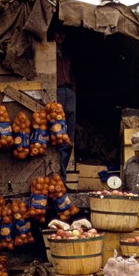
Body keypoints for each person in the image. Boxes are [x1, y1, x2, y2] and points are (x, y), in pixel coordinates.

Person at [54, 31, 76, 184]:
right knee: (57, 136)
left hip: (69, 91)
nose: (60, 36)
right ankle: (57, 178)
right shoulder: (46, 51)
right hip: (56, 91)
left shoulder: (66, 53)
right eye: (57, 33)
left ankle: (61, 180)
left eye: (62, 33)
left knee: (68, 138)